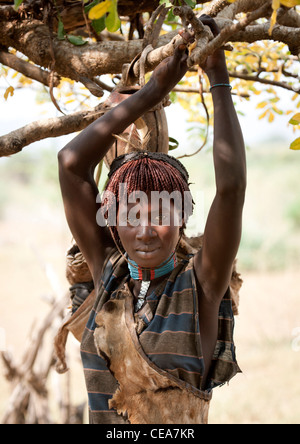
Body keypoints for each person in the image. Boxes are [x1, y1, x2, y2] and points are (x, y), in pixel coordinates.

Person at [57, 16, 246, 424]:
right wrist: (152, 91)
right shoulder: (109, 274)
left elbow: (230, 189)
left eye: (160, 214)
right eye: (130, 214)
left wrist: (217, 75)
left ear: (181, 218)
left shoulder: (200, 285)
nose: (143, 230)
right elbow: (71, 164)